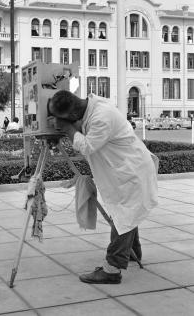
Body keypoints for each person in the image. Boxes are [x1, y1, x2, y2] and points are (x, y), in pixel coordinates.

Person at [48, 90, 158, 284]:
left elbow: (88, 146)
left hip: (132, 171)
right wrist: (68, 129)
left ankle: (113, 269)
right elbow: (83, 133)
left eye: (63, 119)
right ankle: (132, 253)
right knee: (126, 214)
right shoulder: (90, 109)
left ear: (73, 115)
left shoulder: (102, 116)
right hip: (126, 170)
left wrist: (67, 129)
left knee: (124, 216)